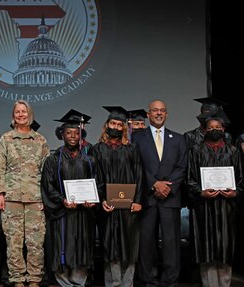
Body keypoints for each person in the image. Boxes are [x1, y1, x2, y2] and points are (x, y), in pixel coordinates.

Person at [131, 100, 187, 287]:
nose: (159, 113)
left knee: (171, 242)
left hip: (170, 198)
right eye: (155, 110)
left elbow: (182, 166)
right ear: (148, 114)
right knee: (147, 242)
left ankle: (170, 280)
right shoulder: (137, 138)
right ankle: (149, 279)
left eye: (162, 110)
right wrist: (154, 183)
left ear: (167, 114)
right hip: (147, 197)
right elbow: (136, 165)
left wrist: (167, 187)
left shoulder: (178, 139)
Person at [0, 100, 50, 287]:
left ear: (30, 114)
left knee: (35, 242)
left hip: (35, 198)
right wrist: (0, 194)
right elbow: (0, 168)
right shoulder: (6, 139)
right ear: (13, 115)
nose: (20, 115)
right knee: (14, 243)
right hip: (12, 198)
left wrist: (45, 198)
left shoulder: (40, 140)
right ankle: (17, 279)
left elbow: (46, 172)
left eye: (24, 112)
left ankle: (34, 279)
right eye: (17, 112)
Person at [41, 109, 99, 287]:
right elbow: (48, 186)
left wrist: (92, 200)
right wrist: (62, 200)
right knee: (63, 245)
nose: (72, 136)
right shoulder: (54, 159)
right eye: (69, 133)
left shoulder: (89, 160)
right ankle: (64, 281)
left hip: (83, 214)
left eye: (76, 133)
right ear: (62, 135)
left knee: (82, 245)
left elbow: (97, 183)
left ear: (81, 135)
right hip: (63, 214)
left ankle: (79, 281)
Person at [186, 111, 243, 287]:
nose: (214, 130)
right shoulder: (196, 151)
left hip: (226, 208)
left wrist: (235, 192)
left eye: (218, 127)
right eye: (210, 128)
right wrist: (200, 192)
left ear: (224, 129)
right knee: (206, 250)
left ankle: (225, 284)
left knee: (225, 250)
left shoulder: (232, 151)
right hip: (204, 208)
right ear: (204, 130)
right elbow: (189, 179)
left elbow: (241, 178)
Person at [89, 106, 144, 287]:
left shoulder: (131, 149)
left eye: (119, 124)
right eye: (112, 123)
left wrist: (137, 201)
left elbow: (139, 175)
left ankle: (127, 284)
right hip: (108, 209)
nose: (116, 127)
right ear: (106, 125)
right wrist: (102, 199)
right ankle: (113, 284)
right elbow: (95, 178)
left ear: (124, 128)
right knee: (110, 248)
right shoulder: (97, 150)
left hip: (129, 209)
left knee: (129, 247)